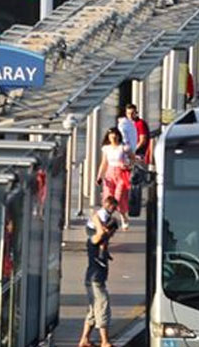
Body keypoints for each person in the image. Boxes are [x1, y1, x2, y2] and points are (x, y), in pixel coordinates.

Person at [78, 199, 118, 347]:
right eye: (112, 231)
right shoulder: (94, 239)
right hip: (95, 280)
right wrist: (99, 221)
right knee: (103, 307)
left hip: (94, 279)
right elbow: (100, 230)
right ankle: (105, 341)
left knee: (93, 311)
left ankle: (84, 339)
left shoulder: (103, 243)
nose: (113, 235)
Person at [96, 128, 132, 211]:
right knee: (108, 196)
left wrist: (127, 165)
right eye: (111, 136)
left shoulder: (123, 147)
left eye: (115, 136)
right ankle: (107, 216)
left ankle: (123, 215)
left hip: (121, 173)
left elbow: (133, 159)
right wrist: (99, 176)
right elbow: (104, 163)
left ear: (119, 136)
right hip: (110, 173)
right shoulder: (106, 148)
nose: (114, 138)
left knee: (119, 197)